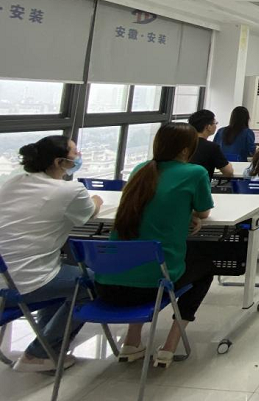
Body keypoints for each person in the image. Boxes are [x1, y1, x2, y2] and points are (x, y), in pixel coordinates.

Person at [94, 122, 214, 368]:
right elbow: (203, 212)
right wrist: (189, 214)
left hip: (106, 286)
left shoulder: (141, 169)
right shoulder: (195, 173)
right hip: (153, 288)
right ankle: (169, 346)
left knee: (142, 256)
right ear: (186, 149)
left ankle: (132, 342)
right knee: (205, 268)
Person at [0, 136, 102, 372]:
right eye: (75, 152)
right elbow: (90, 213)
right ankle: (40, 353)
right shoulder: (71, 190)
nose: (79, 156)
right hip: (25, 282)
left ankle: (46, 343)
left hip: (5, 277)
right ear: (59, 162)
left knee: (62, 274)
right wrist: (96, 200)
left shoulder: (13, 180)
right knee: (93, 283)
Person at [188, 109, 233, 178]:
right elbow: (228, 172)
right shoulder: (212, 147)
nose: (216, 125)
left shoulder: (183, 143)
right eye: (215, 123)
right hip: (202, 184)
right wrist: (229, 165)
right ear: (208, 127)